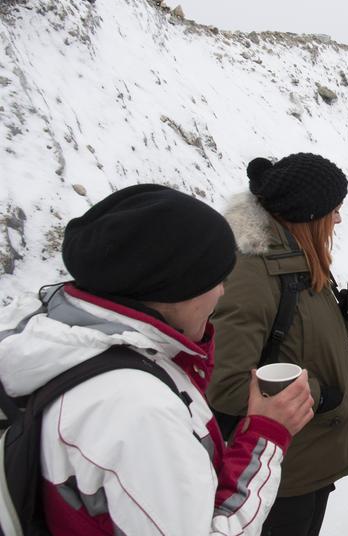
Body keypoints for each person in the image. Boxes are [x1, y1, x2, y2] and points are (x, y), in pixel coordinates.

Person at [0, 184, 315, 534]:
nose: (223, 292)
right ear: (174, 287)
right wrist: (266, 435)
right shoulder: (137, 410)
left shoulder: (64, 341)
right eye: (217, 280)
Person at [207, 153, 348, 536]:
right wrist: (314, 393)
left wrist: (346, 317)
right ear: (307, 214)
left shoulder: (292, 258)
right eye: (333, 210)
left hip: (306, 455)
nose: (339, 218)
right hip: (280, 470)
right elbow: (227, 384)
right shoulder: (252, 275)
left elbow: (291, 341)